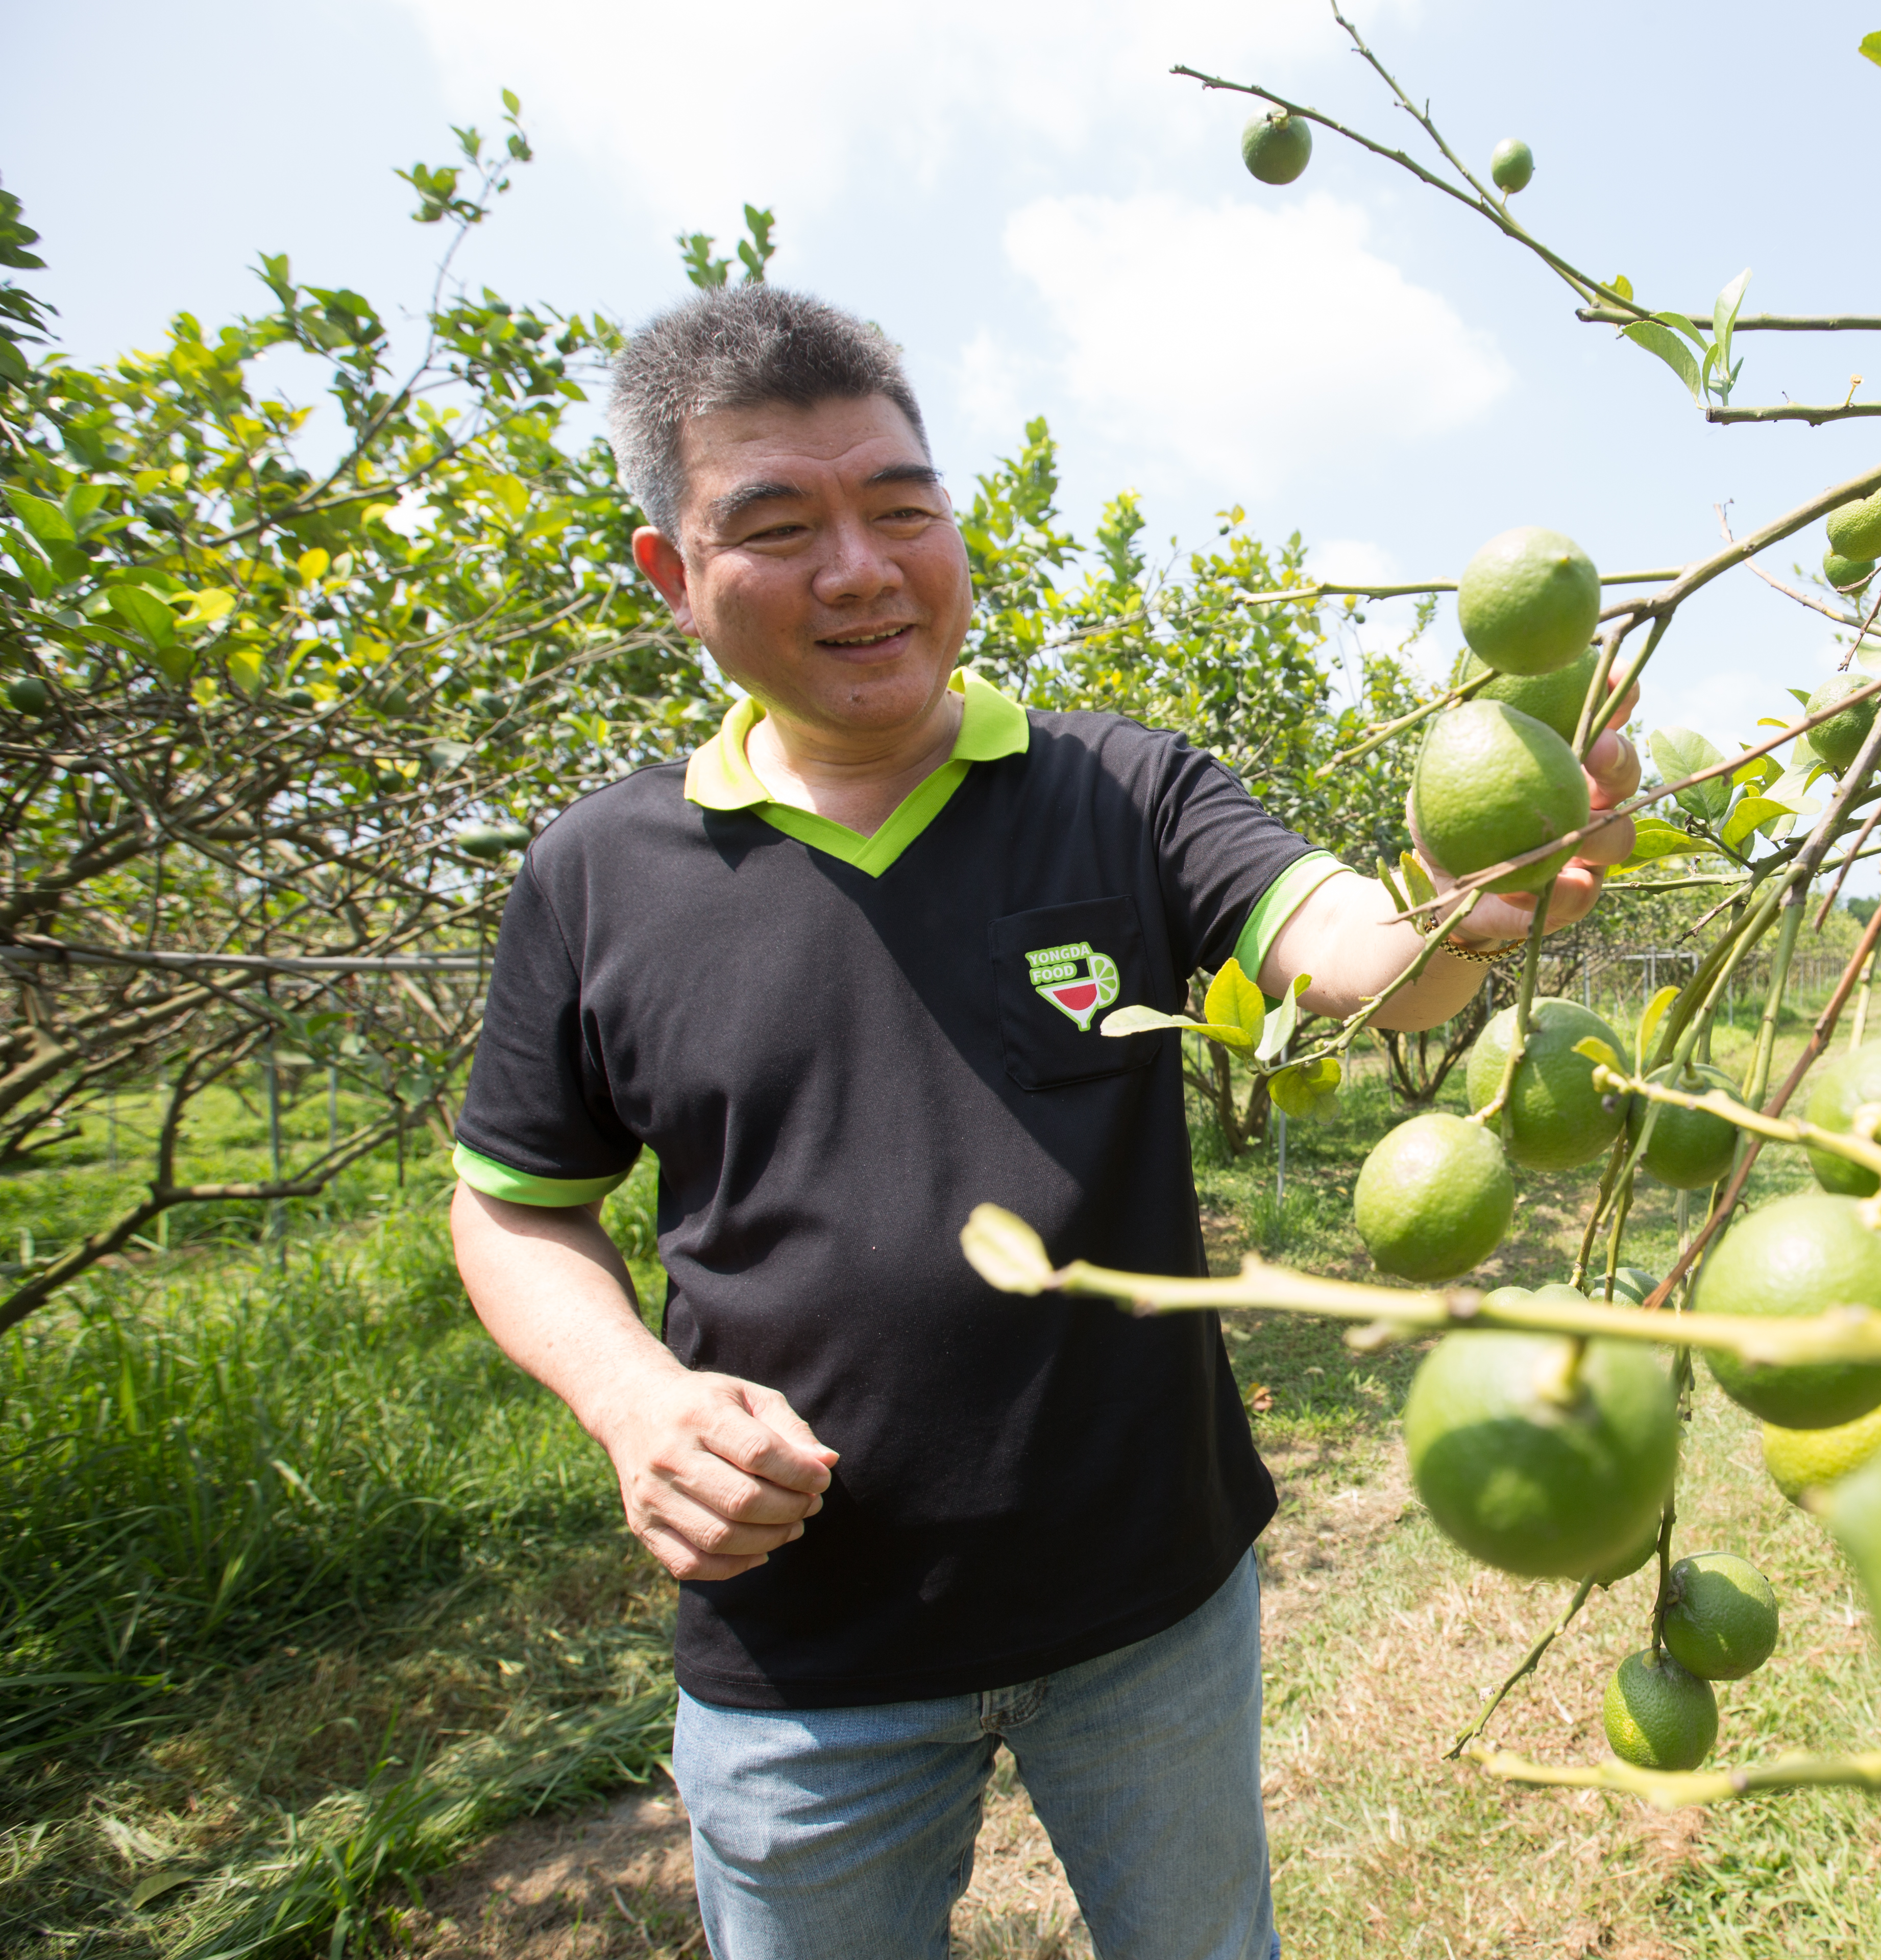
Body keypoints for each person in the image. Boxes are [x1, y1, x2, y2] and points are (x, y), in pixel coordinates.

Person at [447, 285, 1638, 1960]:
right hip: (805, 1656)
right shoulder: (601, 876)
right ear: (676, 580)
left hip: (1152, 1609)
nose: (860, 570)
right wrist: (634, 1400)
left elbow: (1364, 968)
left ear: (956, 535)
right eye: (780, 527)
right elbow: (515, 1205)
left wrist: (1465, 899)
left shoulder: (1122, 790)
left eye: (900, 511)